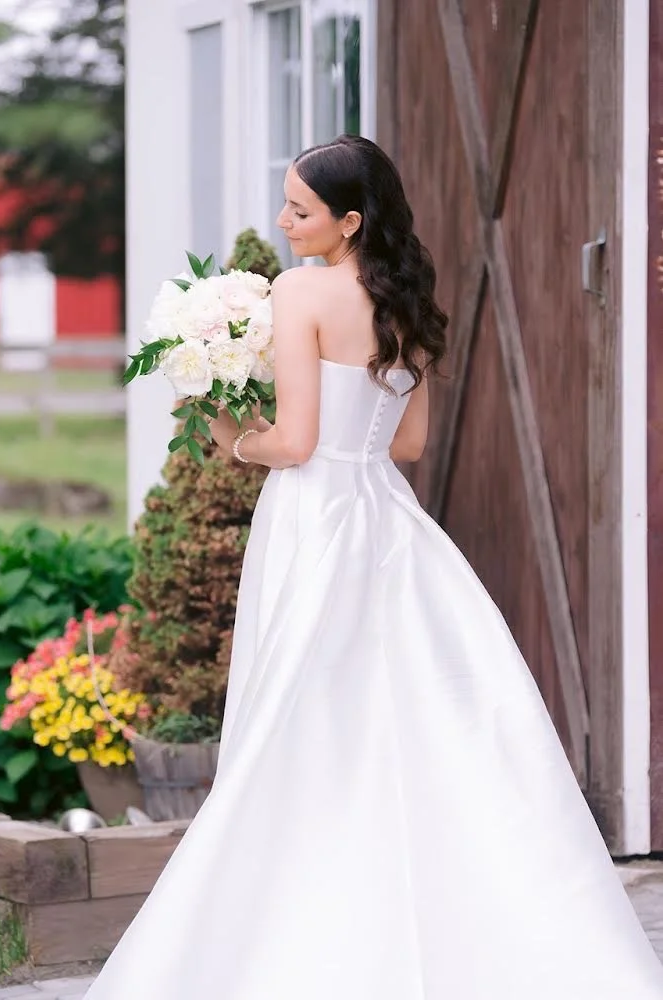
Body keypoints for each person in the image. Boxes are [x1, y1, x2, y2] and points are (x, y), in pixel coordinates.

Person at [85, 135, 663, 999]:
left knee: (298, 715)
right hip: (388, 521)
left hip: (314, 521)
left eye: (301, 210)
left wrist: (217, 425)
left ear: (349, 221)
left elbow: (293, 442)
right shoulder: (404, 296)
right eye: (285, 203)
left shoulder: (298, 291)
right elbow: (412, 444)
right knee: (416, 715)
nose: (283, 222)